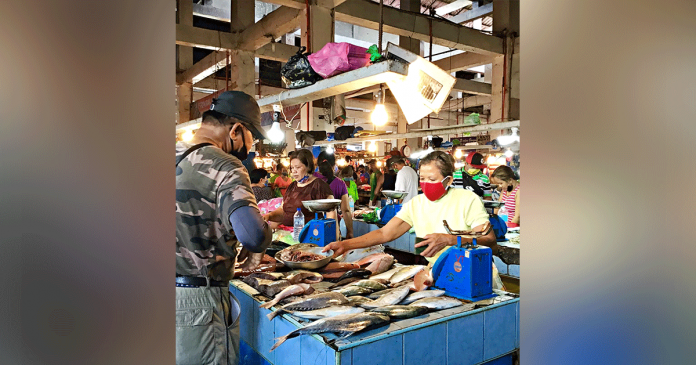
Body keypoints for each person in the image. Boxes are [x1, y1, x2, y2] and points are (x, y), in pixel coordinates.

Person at [175, 91, 272, 365]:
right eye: (252, 138)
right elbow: (253, 235)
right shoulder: (226, 165)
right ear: (236, 129)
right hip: (198, 305)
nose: (251, 148)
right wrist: (262, 241)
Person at [324, 150, 497, 266]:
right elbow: (384, 233)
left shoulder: (468, 200)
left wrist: (451, 239)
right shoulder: (417, 203)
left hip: (473, 270)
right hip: (438, 271)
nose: (426, 184)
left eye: (432, 179)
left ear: (449, 180)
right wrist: (345, 244)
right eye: (422, 178)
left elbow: (489, 240)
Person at [263, 149, 335, 228]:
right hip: (288, 235)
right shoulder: (292, 186)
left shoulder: (319, 185)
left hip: (309, 235)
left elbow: (331, 214)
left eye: (297, 167)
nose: (294, 171)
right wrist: (269, 216)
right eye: (292, 168)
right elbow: (282, 210)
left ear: (308, 167)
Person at [318, 159, 354, 239]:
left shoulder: (312, 180)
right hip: (333, 227)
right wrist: (350, 231)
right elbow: (345, 210)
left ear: (318, 167)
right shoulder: (340, 183)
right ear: (334, 167)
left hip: (312, 226)